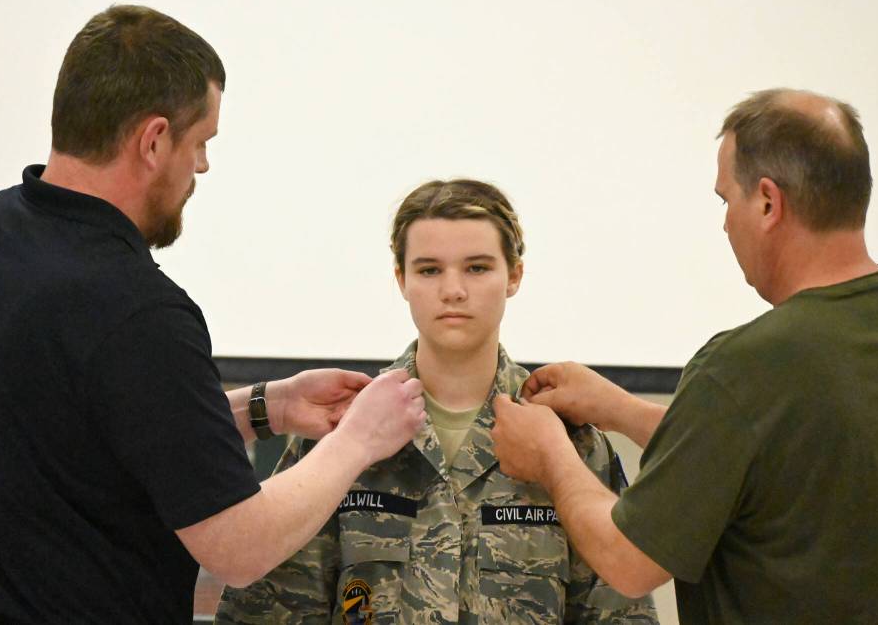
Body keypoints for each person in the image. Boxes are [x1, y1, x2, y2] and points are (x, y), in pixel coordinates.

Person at [0, 5, 426, 624]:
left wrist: (269, 407)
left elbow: (92, 435)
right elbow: (239, 545)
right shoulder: (138, 311)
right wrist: (360, 439)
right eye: (200, 144)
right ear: (153, 139)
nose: (201, 167)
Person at [491, 89, 878, 624]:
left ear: (767, 202)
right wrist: (619, 408)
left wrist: (551, 454)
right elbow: (783, 457)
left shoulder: (743, 366)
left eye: (725, 200)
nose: (723, 223)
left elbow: (628, 560)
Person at [216, 179, 658, 623]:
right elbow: (266, 612)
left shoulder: (569, 442)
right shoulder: (342, 433)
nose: (453, 290)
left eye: (477, 268)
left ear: (515, 276)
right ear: (401, 279)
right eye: (429, 270)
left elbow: (619, 611)